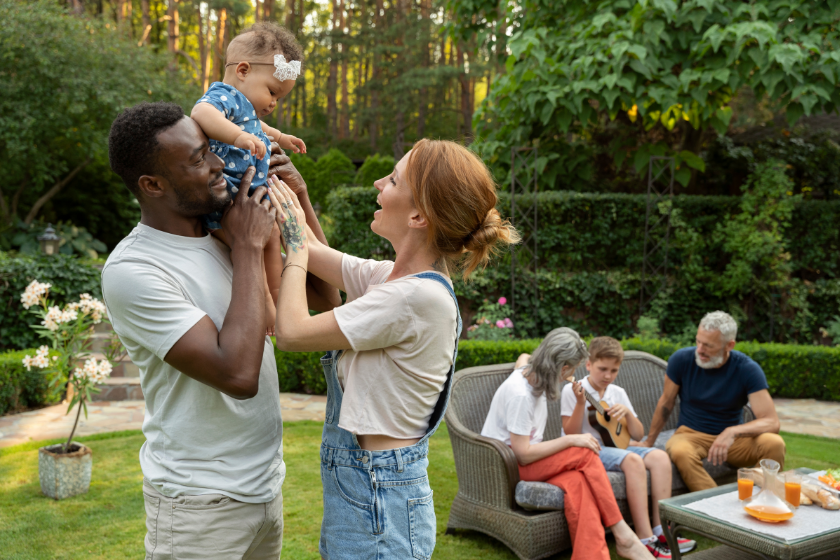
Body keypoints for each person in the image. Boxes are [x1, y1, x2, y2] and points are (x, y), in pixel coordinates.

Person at [103, 101, 339, 559]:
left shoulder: (225, 232)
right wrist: (249, 246)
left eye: (210, 148)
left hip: (265, 488)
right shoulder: (135, 269)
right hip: (197, 506)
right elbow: (237, 375)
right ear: (152, 185)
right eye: (197, 159)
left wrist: (300, 199)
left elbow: (326, 300)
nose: (217, 163)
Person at [266, 139, 519, 559]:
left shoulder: (413, 298)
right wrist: (294, 191)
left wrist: (292, 244)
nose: (378, 183)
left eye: (394, 180)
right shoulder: (392, 280)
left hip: (379, 496)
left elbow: (291, 332)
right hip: (368, 489)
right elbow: (314, 251)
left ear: (418, 216)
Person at [482, 328, 655, 560]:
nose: (571, 376)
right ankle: (623, 534)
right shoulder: (521, 395)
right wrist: (570, 439)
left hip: (526, 460)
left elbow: (524, 356)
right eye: (572, 370)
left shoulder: (527, 370)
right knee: (583, 451)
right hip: (509, 465)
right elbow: (522, 454)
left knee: (578, 483)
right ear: (562, 368)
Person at [191, 22, 307, 312]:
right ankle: (265, 300)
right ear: (243, 71)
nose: (274, 103)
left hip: (249, 198)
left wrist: (281, 137)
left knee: (272, 236)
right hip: (227, 199)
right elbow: (201, 112)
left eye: (278, 98)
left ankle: (277, 300)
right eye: (272, 91)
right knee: (254, 246)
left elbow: (259, 127)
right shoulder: (224, 96)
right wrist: (237, 137)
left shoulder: (246, 111)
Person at [560, 337, 695, 558]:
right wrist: (580, 403)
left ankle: (662, 530)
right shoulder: (573, 390)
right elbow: (570, 433)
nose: (608, 376)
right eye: (602, 369)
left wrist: (628, 414)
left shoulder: (617, 392)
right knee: (633, 460)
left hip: (614, 446)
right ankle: (645, 539)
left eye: (614, 370)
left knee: (660, 458)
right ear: (588, 365)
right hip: (587, 449)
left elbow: (639, 434)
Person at [639, 311, 786, 492]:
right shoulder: (681, 360)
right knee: (679, 451)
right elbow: (666, 403)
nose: (700, 350)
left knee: (774, 444)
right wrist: (649, 441)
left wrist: (733, 432)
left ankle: (761, 498)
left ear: (729, 345)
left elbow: (771, 422)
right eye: (698, 341)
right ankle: (716, 504)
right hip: (690, 435)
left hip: (733, 441)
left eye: (708, 345)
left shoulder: (747, 369)